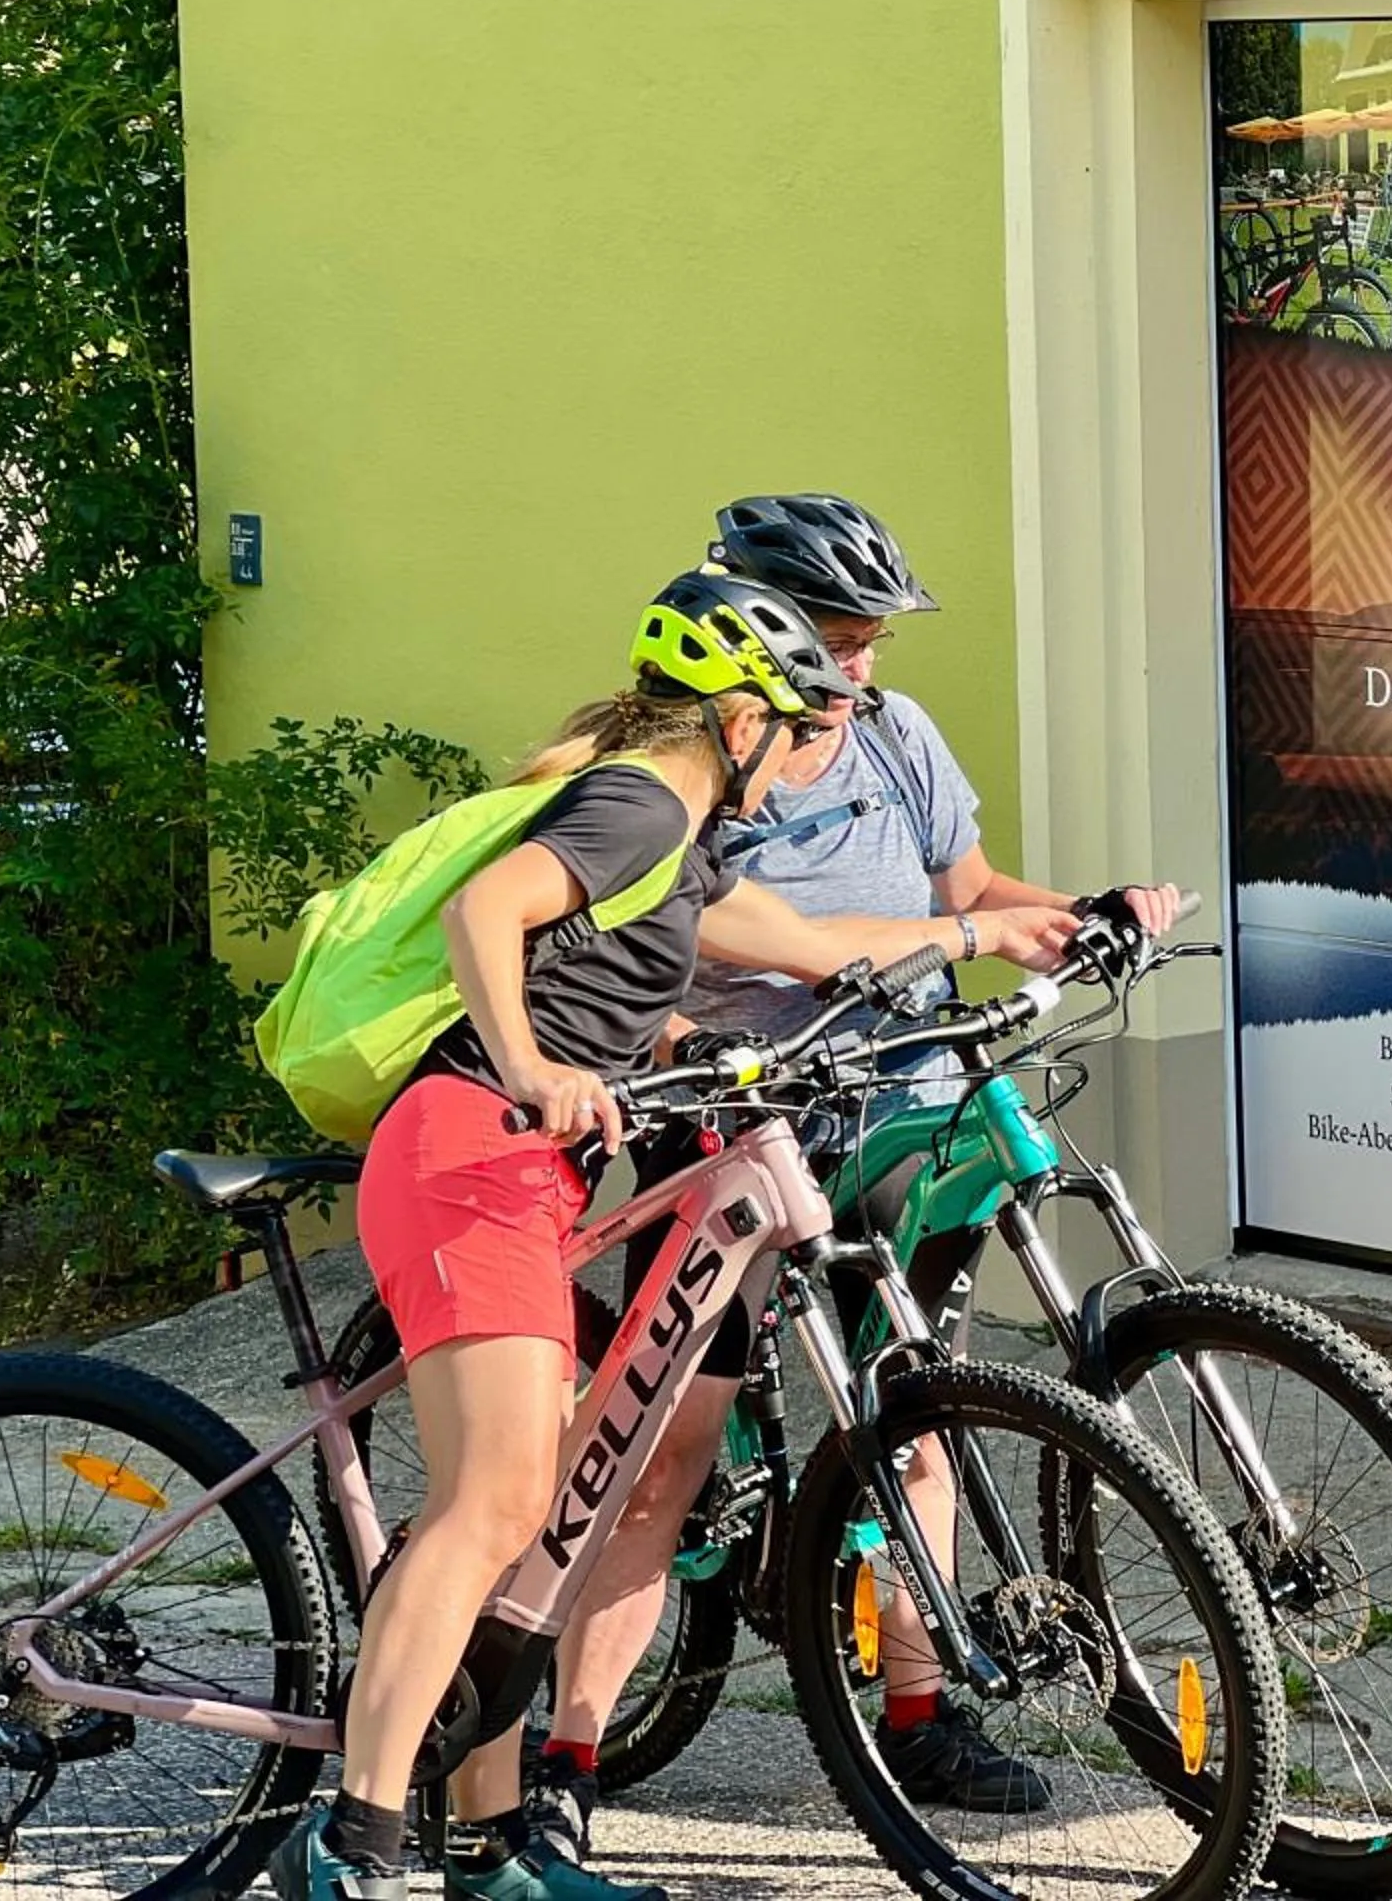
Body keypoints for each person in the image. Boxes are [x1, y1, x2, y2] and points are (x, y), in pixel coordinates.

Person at [272, 567, 1084, 1901]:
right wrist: (534, 1065)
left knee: (536, 1514)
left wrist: (990, 931)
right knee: (488, 1508)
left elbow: (815, 942)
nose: (817, 744)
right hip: (469, 1151)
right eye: (802, 717)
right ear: (736, 714)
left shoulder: (687, 843)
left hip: (519, 1172)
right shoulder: (639, 800)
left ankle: (492, 1849)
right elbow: (490, 912)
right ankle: (349, 1841)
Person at [546, 492, 1178, 1835]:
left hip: (897, 1108)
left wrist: (1075, 915)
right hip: (732, 1123)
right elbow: (653, 930)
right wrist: (682, 1034)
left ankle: (917, 1708)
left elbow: (971, 896)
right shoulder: (690, 760)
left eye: (873, 637)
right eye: (840, 633)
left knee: (916, 1415)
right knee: (669, 1459)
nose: (862, 664)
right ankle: (566, 1762)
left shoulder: (893, 735)